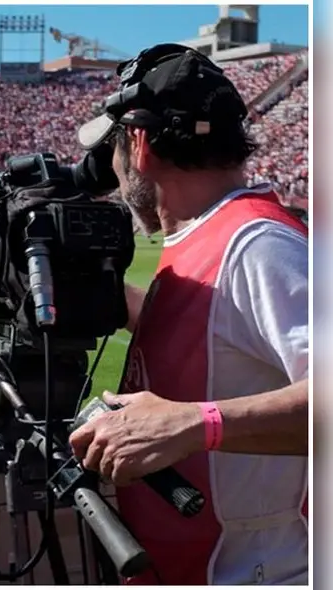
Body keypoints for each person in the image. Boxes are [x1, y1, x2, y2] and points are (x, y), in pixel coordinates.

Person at [69, 44, 308, 585]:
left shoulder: (257, 242)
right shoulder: (214, 232)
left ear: (139, 142)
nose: (110, 166)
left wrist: (194, 424)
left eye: (112, 147)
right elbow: (210, 329)